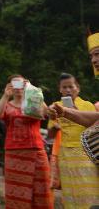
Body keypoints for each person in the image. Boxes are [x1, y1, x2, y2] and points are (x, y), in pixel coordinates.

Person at [0, 74, 52, 208]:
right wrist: (6, 95)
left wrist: (33, 90)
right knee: (17, 193)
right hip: (14, 152)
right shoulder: (7, 105)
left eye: (21, 84)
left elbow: (47, 112)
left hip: (36, 150)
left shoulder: (33, 100)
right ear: (9, 86)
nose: (18, 87)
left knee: (42, 189)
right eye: (14, 84)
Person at [46, 73, 99, 207]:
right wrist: (54, 124)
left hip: (85, 154)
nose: (68, 90)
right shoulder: (55, 106)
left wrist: (74, 113)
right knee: (70, 193)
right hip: (65, 155)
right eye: (64, 87)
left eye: (71, 86)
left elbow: (94, 129)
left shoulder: (87, 106)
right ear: (60, 89)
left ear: (78, 88)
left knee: (88, 190)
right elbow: (50, 135)